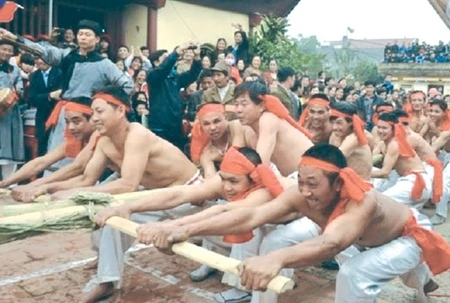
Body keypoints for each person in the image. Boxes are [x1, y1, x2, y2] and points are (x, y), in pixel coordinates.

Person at [150, 144, 450, 303]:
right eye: (301, 182)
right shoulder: (302, 193)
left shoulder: (363, 200)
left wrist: (276, 260)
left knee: (354, 273)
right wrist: (185, 229)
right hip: (363, 237)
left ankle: (420, 277)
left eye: (313, 184)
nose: (304, 192)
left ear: (337, 183)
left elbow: (332, 243)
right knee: (275, 241)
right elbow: (251, 215)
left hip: (406, 237)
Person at [81, 147, 293, 303]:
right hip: (253, 220)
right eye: (224, 179)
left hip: (297, 225)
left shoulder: (262, 190)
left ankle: (248, 289)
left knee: (260, 236)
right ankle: (107, 281)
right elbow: (182, 193)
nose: (227, 187)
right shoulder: (231, 177)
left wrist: (174, 228)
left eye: (234, 182)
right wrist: (128, 208)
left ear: (253, 178)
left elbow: (225, 211)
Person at [0, 21, 133, 172]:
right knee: (57, 157)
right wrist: (15, 39)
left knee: (87, 160)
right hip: (67, 114)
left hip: (90, 117)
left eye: (88, 34)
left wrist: (102, 102)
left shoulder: (105, 64)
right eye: (80, 34)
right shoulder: (67, 56)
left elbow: (127, 85)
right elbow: (43, 51)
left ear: (96, 40)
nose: (83, 37)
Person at [42, 86, 201, 199]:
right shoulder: (104, 142)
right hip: (161, 196)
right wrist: (45, 188)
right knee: (107, 228)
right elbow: (86, 180)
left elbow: (128, 185)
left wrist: (77, 194)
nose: (94, 118)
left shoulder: (137, 133)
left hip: (190, 192)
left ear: (119, 111)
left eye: (100, 111)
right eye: (92, 113)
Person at [0, 102, 94, 189]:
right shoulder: (73, 141)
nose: (71, 128)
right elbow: (41, 163)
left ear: (93, 120)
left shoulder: (99, 138)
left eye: (76, 122)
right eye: (67, 122)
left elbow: (77, 167)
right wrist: (5, 183)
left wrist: (36, 185)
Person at [235, 82, 313, 178]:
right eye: (236, 104)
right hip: (290, 178)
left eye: (244, 104)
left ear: (261, 106)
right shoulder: (246, 127)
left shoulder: (269, 119)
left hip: (309, 177)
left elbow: (261, 164)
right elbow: (234, 162)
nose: (238, 109)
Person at [395, 109, 447, 225]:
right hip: (423, 168)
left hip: (428, 169)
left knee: (443, 191)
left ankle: (436, 216)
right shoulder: (406, 135)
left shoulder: (411, 137)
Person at [147, 43, 202, 151]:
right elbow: (163, 69)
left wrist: (196, 58)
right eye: (165, 58)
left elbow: (192, 75)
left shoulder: (174, 77)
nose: (169, 59)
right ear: (156, 62)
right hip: (160, 125)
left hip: (175, 123)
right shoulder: (152, 76)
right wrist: (176, 52)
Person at [371, 112, 432, 207]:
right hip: (408, 180)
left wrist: (359, 174)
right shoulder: (385, 143)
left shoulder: (394, 144)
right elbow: (371, 159)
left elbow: (384, 173)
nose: (380, 131)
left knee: (382, 205)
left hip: (416, 182)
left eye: (384, 128)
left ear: (394, 129)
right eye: (379, 127)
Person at [190, 103, 248, 178]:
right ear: (201, 127)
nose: (213, 128)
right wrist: (208, 160)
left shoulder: (237, 127)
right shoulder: (206, 153)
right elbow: (210, 182)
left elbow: (237, 161)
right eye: (206, 124)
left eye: (216, 121)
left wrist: (221, 158)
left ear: (226, 118)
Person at [28, 57, 63, 157]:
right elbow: (32, 98)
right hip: (42, 116)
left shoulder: (60, 73)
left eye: (43, 58)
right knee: (42, 147)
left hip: (58, 114)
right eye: (37, 58)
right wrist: (50, 95)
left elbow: (61, 93)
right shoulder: (34, 76)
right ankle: (40, 172)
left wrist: (42, 97)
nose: (40, 61)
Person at [329, 102, 373, 180]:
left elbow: (333, 161)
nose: (334, 127)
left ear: (350, 122)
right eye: (332, 122)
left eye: (339, 123)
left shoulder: (355, 138)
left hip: (359, 186)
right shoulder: (335, 134)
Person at [0, 39, 24, 181]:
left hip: (9, 112)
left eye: (9, 50)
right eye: (3, 49)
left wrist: (12, 95)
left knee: (10, 144)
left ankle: (9, 182)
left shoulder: (14, 70)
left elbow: (19, 88)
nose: (7, 53)